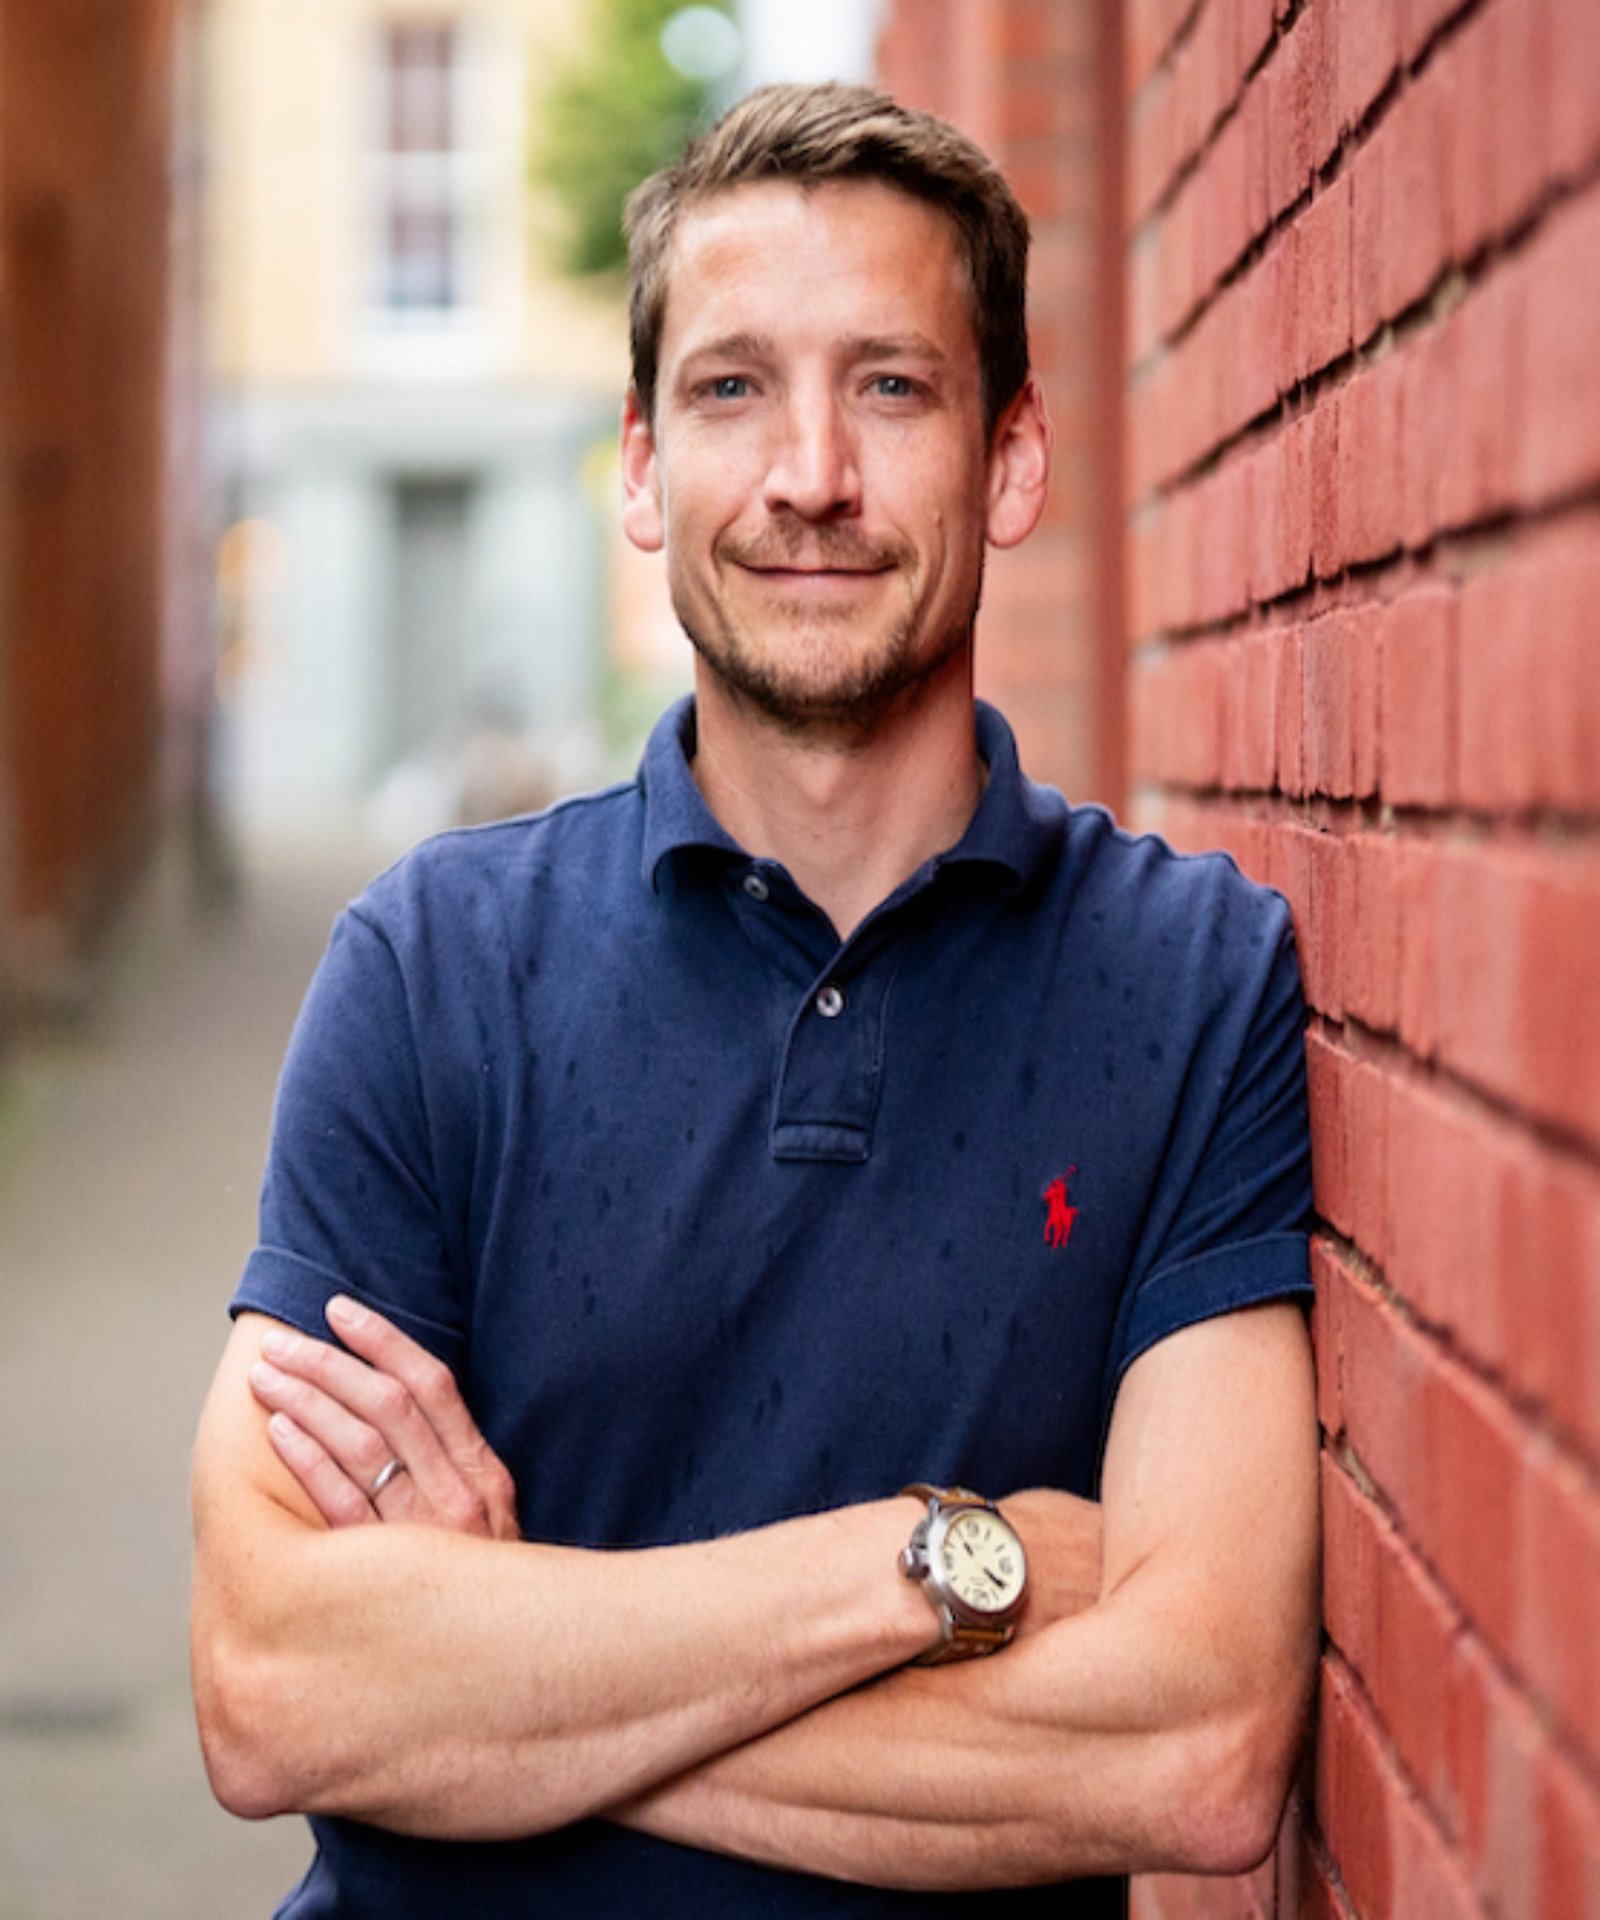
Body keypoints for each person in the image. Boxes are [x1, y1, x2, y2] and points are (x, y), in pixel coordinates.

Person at [191, 83, 1319, 1918]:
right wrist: (942, 1567)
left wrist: (503, 1690)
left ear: (1012, 454)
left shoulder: (1188, 980)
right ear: (639, 469)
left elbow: (1189, 1751)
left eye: (891, 385)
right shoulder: (429, 965)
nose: (810, 474)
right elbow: (271, 1690)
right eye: (731, 390)